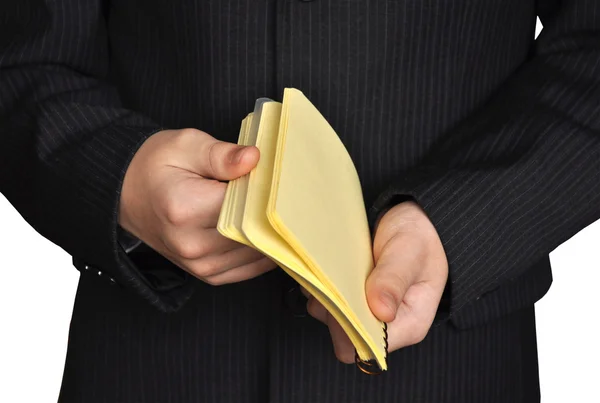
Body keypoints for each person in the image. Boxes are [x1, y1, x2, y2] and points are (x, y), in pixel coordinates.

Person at [1, 0, 598, 402]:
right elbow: (20, 54)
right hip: (152, 356)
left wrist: (464, 220)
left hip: (451, 368)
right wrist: (116, 172)